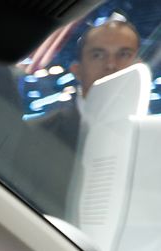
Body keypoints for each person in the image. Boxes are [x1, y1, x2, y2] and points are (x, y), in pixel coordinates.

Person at [10, 15, 140, 219]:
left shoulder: (150, 141)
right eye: (98, 55)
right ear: (77, 70)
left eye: (124, 54)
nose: (111, 65)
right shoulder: (38, 134)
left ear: (139, 66)